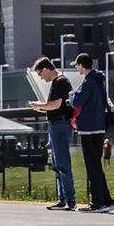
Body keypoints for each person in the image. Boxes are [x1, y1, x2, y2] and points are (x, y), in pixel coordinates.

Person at [69, 53, 114, 213]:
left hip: (89, 129)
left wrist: (71, 95)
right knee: (96, 166)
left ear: (82, 65)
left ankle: (98, 203)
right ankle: (107, 200)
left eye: (77, 65)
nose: (76, 68)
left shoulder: (89, 81)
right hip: (98, 127)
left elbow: (77, 101)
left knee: (92, 167)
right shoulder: (98, 80)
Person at [28, 57, 77, 211]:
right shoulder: (56, 83)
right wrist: (42, 109)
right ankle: (62, 198)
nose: (41, 78)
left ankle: (69, 199)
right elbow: (54, 107)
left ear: (46, 69)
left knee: (62, 163)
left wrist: (39, 105)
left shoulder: (61, 82)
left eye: (40, 74)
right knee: (57, 164)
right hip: (56, 123)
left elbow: (56, 104)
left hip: (60, 125)